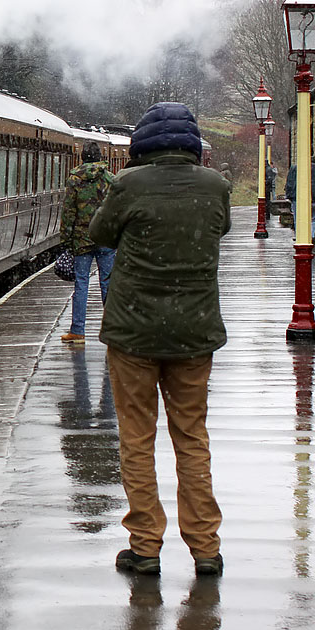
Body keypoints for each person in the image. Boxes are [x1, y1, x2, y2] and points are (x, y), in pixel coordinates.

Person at [89, 102, 230, 577]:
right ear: (191, 143)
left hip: (133, 334)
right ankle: (206, 548)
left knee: (137, 437)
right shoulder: (215, 188)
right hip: (194, 333)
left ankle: (146, 546)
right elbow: (220, 229)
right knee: (192, 438)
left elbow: (99, 233)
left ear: (142, 143)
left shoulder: (128, 185)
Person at [59, 141, 116, 344]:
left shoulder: (75, 180)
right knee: (108, 283)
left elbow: (68, 212)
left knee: (81, 283)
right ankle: (112, 330)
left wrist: (65, 240)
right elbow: (115, 209)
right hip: (106, 238)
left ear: (82, 157)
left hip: (82, 240)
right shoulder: (110, 179)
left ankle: (78, 331)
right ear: (100, 157)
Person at [284, 155, 315, 239]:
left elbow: (290, 183)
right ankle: (310, 236)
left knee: (298, 219)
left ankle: (300, 236)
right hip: (314, 198)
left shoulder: (294, 168)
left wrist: (290, 195)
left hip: (297, 198)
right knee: (314, 219)